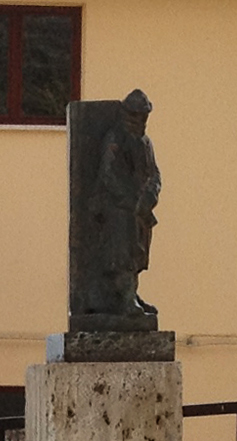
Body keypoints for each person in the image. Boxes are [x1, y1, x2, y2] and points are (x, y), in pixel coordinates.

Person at [88, 90, 160, 321]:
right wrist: (130, 201)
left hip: (140, 210)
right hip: (118, 208)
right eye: (135, 115)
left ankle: (132, 294)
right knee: (121, 255)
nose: (140, 120)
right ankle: (124, 299)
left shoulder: (145, 142)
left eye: (143, 115)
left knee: (137, 255)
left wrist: (150, 196)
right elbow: (108, 175)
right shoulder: (115, 139)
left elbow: (154, 174)